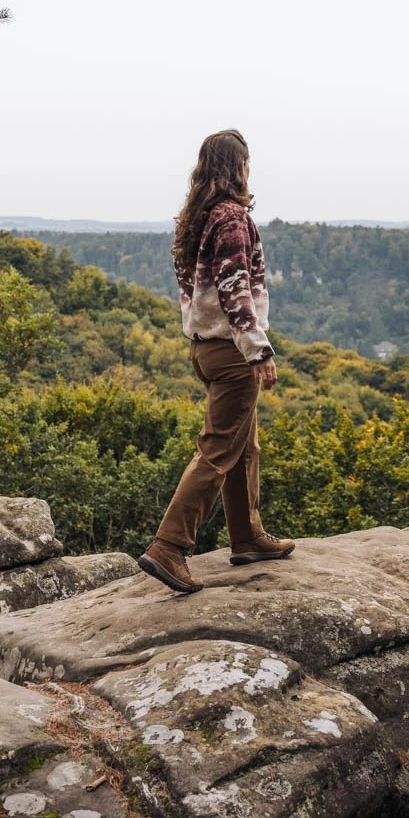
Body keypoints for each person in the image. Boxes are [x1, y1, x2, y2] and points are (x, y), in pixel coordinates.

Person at [138, 130, 295, 594]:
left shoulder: (198, 217)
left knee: (244, 447)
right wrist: (258, 349)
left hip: (205, 347)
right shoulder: (231, 218)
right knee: (218, 449)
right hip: (230, 350)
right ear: (238, 165)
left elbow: (197, 291)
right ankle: (168, 546)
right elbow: (234, 288)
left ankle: (247, 537)